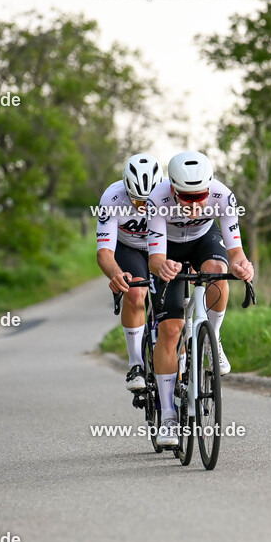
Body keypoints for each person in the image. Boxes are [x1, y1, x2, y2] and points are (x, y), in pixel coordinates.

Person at [146, 151, 254, 446]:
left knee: (218, 272)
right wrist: (162, 267)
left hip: (203, 239)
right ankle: (167, 416)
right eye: (186, 197)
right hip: (167, 247)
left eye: (200, 196)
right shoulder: (157, 199)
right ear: (173, 190)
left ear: (209, 187)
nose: (195, 204)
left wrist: (242, 266)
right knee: (169, 330)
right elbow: (155, 258)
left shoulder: (223, 196)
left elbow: (236, 253)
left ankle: (213, 339)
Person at [96, 153, 164, 392]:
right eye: (137, 202)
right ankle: (136, 363)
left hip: (165, 247)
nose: (144, 207)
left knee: (176, 304)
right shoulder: (112, 198)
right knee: (135, 294)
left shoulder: (170, 195)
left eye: (149, 201)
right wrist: (115, 274)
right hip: (130, 248)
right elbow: (104, 253)